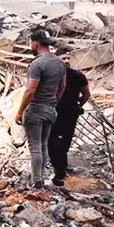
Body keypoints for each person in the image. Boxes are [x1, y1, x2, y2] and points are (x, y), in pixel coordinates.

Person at [15, 29, 66, 190]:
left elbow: (30, 90)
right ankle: (41, 178)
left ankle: (37, 182)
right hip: (50, 110)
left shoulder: (37, 64)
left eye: (31, 42)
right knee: (43, 145)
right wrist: (53, 102)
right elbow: (62, 87)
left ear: (36, 43)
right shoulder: (59, 62)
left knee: (35, 147)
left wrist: (19, 111)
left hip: (35, 110)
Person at [48, 47, 91, 187]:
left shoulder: (78, 76)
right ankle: (59, 168)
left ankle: (60, 171)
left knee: (64, 143)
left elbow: (86, 94)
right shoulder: (51, 76)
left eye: (68, 58)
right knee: (52, 142)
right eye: (63, 58)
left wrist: (78, 105)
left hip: (70, 113)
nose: (66, 61)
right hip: (54, 113)